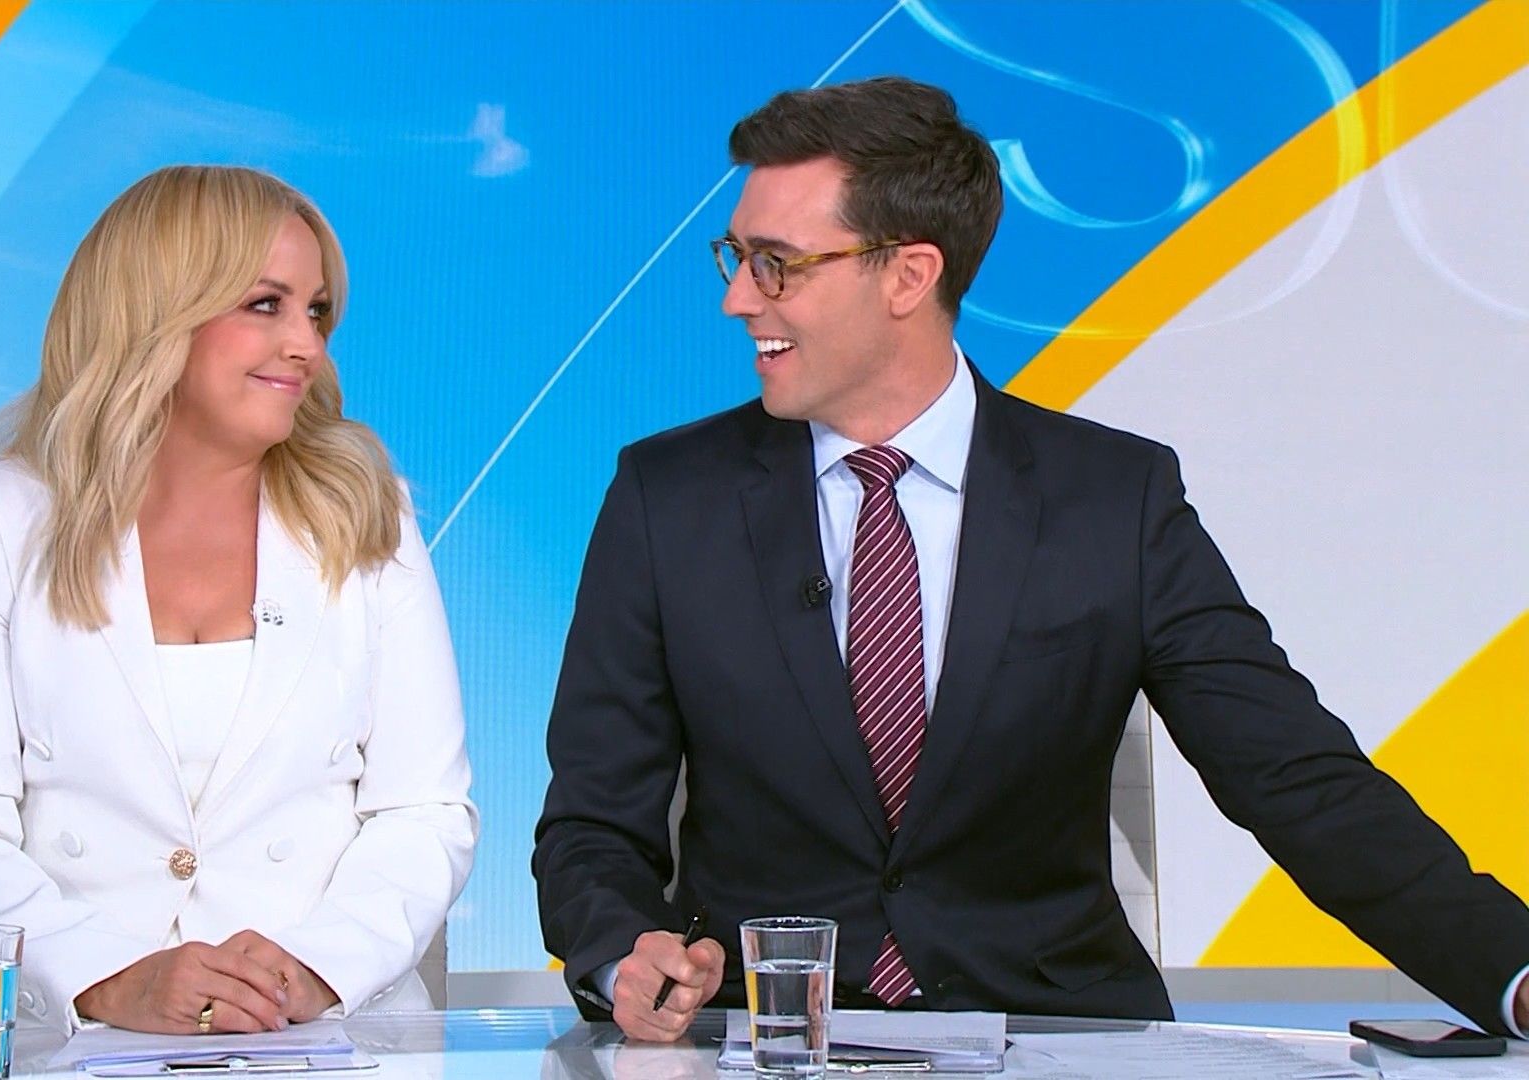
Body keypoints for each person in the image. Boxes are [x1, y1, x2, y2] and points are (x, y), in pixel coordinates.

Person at [532, 76, 1529, 1042]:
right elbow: (590, 826)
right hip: (773, 1042)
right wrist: (624, 957)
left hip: (1056, 1034)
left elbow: (1298, 780)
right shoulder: (669, 499)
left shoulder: (1114, 500)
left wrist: (1515, 975)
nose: (737, 299)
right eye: (737, 257)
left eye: (777, 264)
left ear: (909, 275)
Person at [0, 165, 477, 1036]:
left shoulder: (368, 514)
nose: (306, 346)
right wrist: (110, 979)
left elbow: (423, 811)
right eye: (265, 305)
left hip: (328, 1040)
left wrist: (309, 973)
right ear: (155, 310)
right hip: (85, 1044)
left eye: (316, 312)